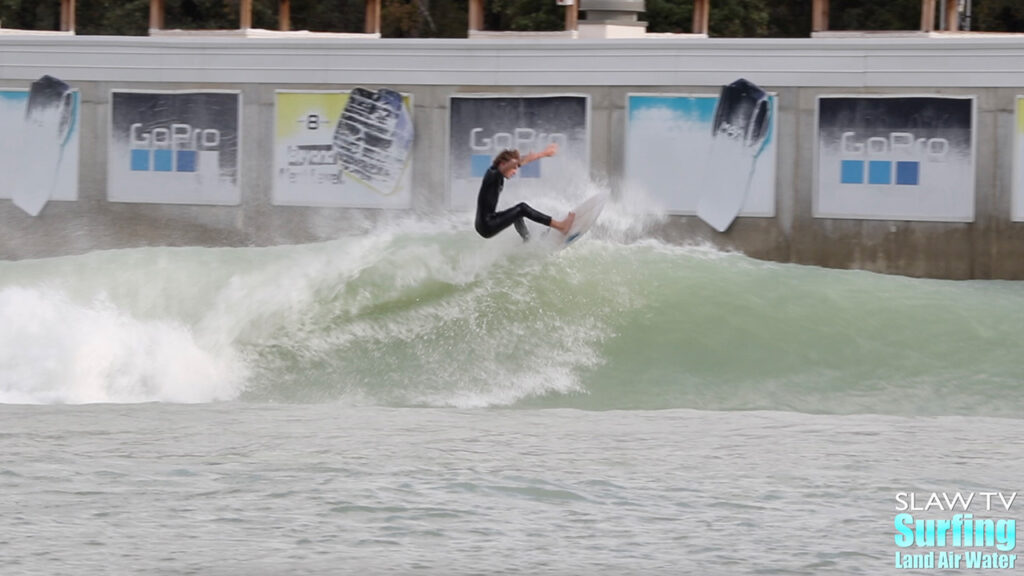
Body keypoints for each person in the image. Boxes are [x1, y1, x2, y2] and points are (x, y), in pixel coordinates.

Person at [474, 143, 574, 242]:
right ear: (502, 164)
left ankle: (527, 239)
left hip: (485, 223)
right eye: (513, 168)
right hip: (487, 225)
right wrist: (543, 154)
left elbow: (518, 162)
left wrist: (540, 155)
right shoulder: (492, 174)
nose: (515, 171)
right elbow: (516, 162)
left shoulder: (496, 174)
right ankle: (561, 226)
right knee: (522, 208)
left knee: (517, 214)